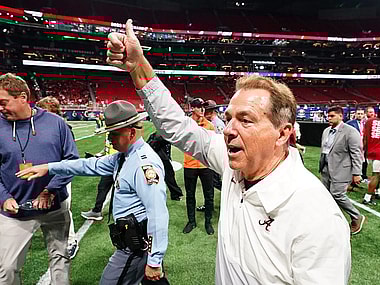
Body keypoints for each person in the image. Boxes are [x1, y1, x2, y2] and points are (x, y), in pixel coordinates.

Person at [105, 20, 351, 284]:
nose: (228, 130)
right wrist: (139, 67)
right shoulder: (234, 166)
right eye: (229, 118)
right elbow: (177, 126)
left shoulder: (317, 218)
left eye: (246, 120)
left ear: (283, 133)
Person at [17, 100, 170, 284]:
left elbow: (158, 213)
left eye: (114, 134)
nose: (110, 139)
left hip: (135, 247)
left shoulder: (143, 164)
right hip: (131, 242)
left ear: (131, 132)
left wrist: (155, 260)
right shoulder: (125, 156)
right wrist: (49, 167)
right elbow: (88, 165)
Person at [0, 73, 79, 285]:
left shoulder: (56, 123)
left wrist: (51, 189)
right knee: (6, 269)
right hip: (15, 210)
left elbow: (72, 160)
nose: (0, 108)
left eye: (3, 102)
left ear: (23, 97)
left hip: (54, 207)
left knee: (60, 262)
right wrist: (3, 197)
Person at [36, 96, 79, 258]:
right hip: (42, 175)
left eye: (46, 112)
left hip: (60, 174)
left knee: (63, 207)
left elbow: (70, 158)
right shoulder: (35, 128)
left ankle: (70, 241)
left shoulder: (63, 128)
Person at [319, 106, 365, 235]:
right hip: (326, 168)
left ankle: (356, 216)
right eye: (328, 116)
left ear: (341, 116)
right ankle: (331, 221)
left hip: (342, 169)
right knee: (326, 196)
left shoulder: (350, 131)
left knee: (337, 194)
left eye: (332, 116)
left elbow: (356, 153)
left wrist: (357, 173)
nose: (329, 118)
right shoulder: (327, 131)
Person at [181, 97, 215, 235]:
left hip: (206, 165)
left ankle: (208, 222)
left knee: (209, 195)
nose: (201, 109)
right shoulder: (187, 125)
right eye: (198, 106)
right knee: (190, 195)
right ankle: (191, 221)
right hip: (189, 165)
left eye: (203, 107)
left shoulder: (210, 125)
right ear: (192, 108)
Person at [80, 132, 116, 221]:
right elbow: (107, 148)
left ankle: (97, 211)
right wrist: (99, 155)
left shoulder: (115, 132)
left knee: (104, 188)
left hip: (114, 165)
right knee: (107, 188)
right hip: (112, 164)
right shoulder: (110, 132)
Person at [146, 131, 184, 201]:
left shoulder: (157, 135)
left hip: (159, 158)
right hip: (159, 158)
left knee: (165, 175)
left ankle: (175, 193)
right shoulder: (160, 136)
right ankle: (175, 194)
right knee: (167, 175)